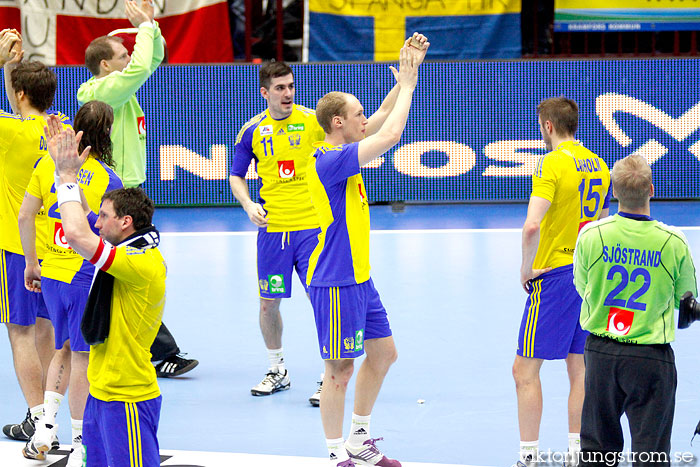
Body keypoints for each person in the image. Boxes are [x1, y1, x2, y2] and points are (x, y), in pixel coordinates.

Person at [306, 33, 429, 467]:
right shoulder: (331, 160)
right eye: (356, 114)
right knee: (338, 370)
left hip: (359, 276)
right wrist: (410, 89)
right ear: (338, 123)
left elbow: (379, 116)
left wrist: (406, 71)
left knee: (383, 354)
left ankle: (359, 439)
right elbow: (391, 131)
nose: (364, 118)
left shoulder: (344, 146)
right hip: (335, 278)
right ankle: (336, 454)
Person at [77, 0, 197, 378]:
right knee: (125, 271)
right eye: (122, 54)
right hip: (111, 197)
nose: (130, 58)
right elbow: (144, 64)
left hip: (130, 191)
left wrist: (151, 26)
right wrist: (144, 27)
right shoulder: (99, 92)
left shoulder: (122, 90)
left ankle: (144, 345)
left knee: (128, 271)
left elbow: (153, 59)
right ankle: (159, 351)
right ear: (104, 65)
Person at [45, 113, 166, 466]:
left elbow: (77, 235)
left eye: (103, 216)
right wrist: (61, 171)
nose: (96, 222)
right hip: (100, 393)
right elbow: (85, 222)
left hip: (128, 397)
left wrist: (67, 178)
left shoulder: (139, 262)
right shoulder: (128, 246)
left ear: (125, 223)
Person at [573, 154, 697, 467]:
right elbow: (689, 303)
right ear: (651, 190)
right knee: (651, 454)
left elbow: (582, 286)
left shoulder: (591, 235)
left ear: (614, 193)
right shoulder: (673, 242)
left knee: (597, 452)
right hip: (651, 359)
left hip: (601, 355)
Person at [18, 101, 122, 465]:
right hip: (83, 277)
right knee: (82, 357)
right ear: (106, 133)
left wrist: (32, 263)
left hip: (50, 274)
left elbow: (25, 215)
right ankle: (80, 443)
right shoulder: (109, 178)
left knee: (60, 347)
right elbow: (111, 235)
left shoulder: (47, 165)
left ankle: (46, 428)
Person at [512, 97, 611, 467]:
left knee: (524, 370)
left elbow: (532, 225)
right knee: (580, 367)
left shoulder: (551, 162)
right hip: (589, 276)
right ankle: (576, 451)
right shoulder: (599, 165)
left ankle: (529, 457)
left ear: (548, 127)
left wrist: (526, 268)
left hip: (555, 274)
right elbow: (602, 224)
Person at [229, 61, 327, 403]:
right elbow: (236, 176)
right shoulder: (252, 130)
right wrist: (247, 204)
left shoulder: (313, 120)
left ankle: (328, 375)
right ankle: (278, 369)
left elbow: (356, 135)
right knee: (268, 303)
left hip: (313, 229)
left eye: (291, 86)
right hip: (273, 232)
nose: (287, 93)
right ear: (265, 92)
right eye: (280, 88)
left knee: (324, 302)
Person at [0, 29, 66, 444]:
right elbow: (21, 111)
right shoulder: (60, 130)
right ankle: (48, 419)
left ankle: (39, 426)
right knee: (46, 331)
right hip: (55, 249)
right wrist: (10, 69)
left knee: (20, 332)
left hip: (15, 249)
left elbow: (14, 117)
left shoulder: (8, 134)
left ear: (21, 94)